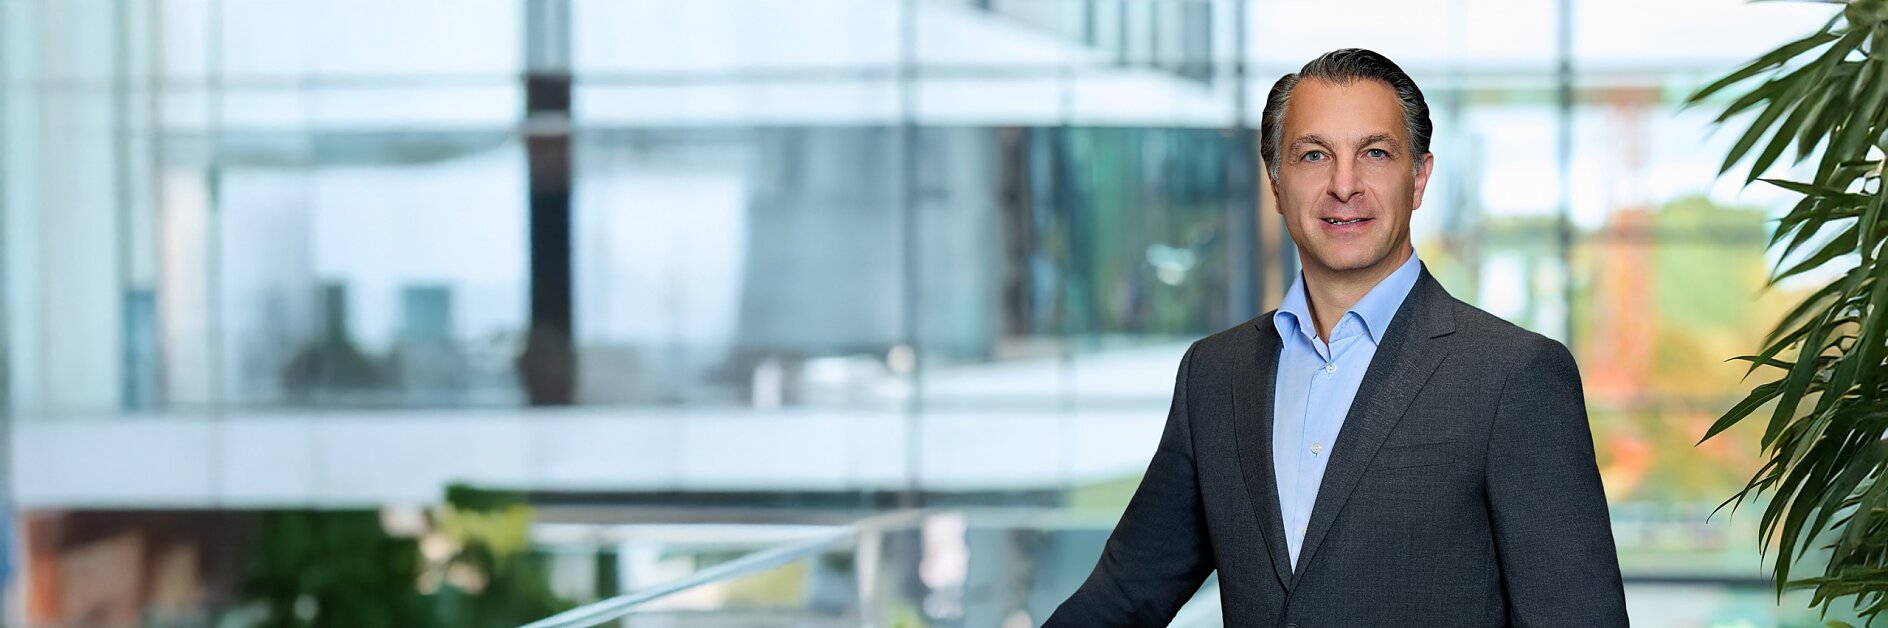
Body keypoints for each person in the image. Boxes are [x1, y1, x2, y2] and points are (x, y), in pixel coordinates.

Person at [1044, 48, 1628, 627]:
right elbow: (1122, 597)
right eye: (1313, 155)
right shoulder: (1215, 375)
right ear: (1276, 183)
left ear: (1419, 178)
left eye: (1375, 153)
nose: (1344, 185)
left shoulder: (1514, 375)